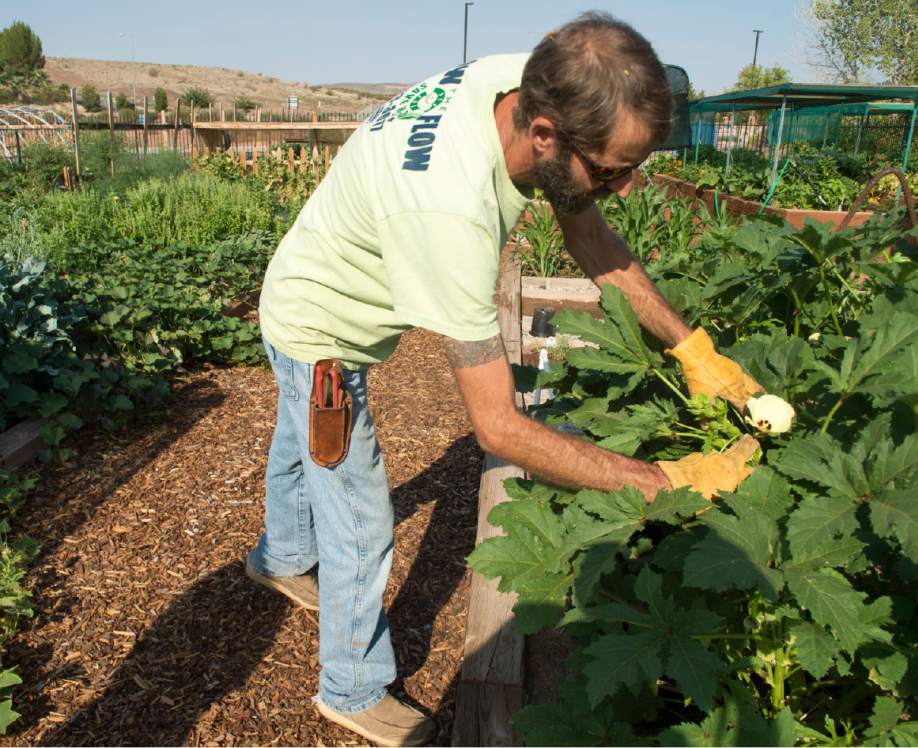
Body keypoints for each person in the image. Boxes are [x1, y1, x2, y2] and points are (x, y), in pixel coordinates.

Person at [246, 11, 762, 747]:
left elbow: (587, 231)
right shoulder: (448, 208)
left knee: (302, 440)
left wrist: (695, 351)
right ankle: (351, 687)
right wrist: (661, 480)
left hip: (303, 289)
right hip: (318, 330)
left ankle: (282, 559)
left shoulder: (528, 80)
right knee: (359, 514)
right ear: (544, 134)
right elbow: (499, 427)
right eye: (613, 170)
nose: (623, 187)